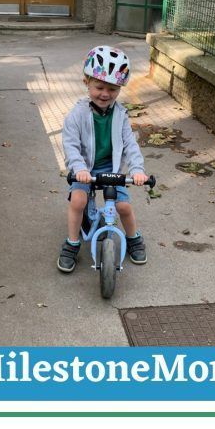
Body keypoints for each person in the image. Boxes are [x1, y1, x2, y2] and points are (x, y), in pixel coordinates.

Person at [58, 45, 149, 273]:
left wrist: (137, 169)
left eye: (112, 89)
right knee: (78, 201)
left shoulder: (120, 115)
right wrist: (78, 167)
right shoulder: (77, 114)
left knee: (124, 206)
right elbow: (70, 144)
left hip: (110, 167)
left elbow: (130, 144)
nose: (105, 94)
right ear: (86, 82)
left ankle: (133, 237)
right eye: (99, 87)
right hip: (85, 168)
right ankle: (72, 242)